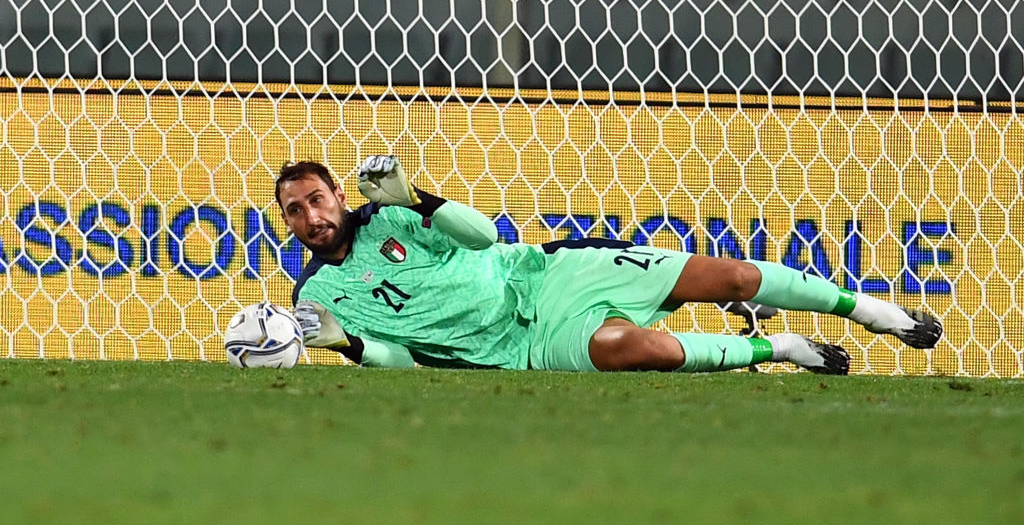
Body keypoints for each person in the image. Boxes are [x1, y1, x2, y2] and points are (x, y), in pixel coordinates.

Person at [275, 156, 942, 375]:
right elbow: (404, 358)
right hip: (525, 345)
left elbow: (483, 235)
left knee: (729, 276)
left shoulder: (390, 215)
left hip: (548, 274)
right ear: (289, 225)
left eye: (317, 198)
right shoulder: (321, 292)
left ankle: (875, 311)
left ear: (339, 193)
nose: (311, 215)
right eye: (295, 210)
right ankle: (779, 345)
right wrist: (351, 344)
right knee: (632, 346)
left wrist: (419, 198)